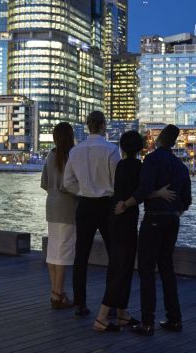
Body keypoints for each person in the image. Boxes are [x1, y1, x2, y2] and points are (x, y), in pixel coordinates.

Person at [116, 124, 191, 336]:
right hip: (172, 221)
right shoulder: (181, 167)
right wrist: (175, 213)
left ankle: (147, 322)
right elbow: (186, 201)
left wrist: (127, 204)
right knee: (167, 268)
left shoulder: (151, 160)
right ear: (174, 143)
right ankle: (174, 319)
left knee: (147, 270)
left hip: (154, 219)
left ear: (158, 139)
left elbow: (144, 190)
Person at [62, 111, 120, 317]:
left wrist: (82, 191)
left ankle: (80, 303)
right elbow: (117, 181)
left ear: (88, 126)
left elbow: (66, 182)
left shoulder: (75, 151)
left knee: (81, 255)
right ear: (103, 126)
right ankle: (111, 304)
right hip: (106, 205)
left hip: (85, 205)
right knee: (114, 254)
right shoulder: (112, 150)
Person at [40, 122, 78, 310]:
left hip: (51, 205)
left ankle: (55, 292)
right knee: (64, 251)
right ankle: (58, 294)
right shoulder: (72, 155)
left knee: (53, 250)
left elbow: (45, 182)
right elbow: (72, 185)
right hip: (67, 207)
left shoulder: (51, 155)